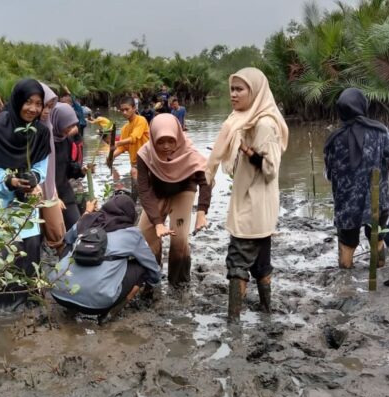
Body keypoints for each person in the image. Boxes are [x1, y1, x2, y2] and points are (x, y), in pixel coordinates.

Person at [205, 67, 288, 323]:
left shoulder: (264, 124)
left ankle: (233, 323)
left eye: (240, 89)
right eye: (232, 89)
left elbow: (271, 169)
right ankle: (266, 312)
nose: (233, 94)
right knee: (261, 262)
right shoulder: (244, 119)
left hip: (253, 204)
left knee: (237, 262)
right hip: (256, 203)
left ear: (256, 92)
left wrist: (246, 150)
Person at [0, 79, 51, 311]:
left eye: (38, 104)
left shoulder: (40, 132)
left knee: (30, 248)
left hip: (24, 203)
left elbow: (41, 165)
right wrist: (10, 181)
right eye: (28, 102)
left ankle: (25, 303)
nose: (33, 109)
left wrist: (34, 178)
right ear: (17, 101)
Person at [323, 88, 389, 269]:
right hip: (376, 200)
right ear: (363, 106)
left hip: (346, 204)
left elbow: (328, 173)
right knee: (377, 238)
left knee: (347, 244)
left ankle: (346, 281)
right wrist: (386, 166)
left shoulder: (334, 139)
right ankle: (378, 276)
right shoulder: (379, 131)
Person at [50, 194, 161, 323]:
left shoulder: (85, 221)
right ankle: (113, 311)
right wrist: (153, 283)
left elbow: (68, 238)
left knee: (70, 247)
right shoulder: (132, 234)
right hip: (98, 304)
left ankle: (71, 304)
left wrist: (86, 215)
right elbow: (152, 266)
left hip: (58, 293)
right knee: (143, 266)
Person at [137, 113, 211, 285]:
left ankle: (179, 283)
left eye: (171, 140)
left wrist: (201, 213)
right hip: (157, 192)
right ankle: (152, 278)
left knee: (179, 239)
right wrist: (157, 223)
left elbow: (206, 180)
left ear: (178, 136)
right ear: (153, 138)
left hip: (183, 190)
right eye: (160, 141)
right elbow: (144, 189)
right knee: (145, 234)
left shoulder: (188, 151)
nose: (166, 146)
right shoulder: (145, 154)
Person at [37, 82, 67, 254]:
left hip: (48, 188)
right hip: (31, 189)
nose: (47, 111)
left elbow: (50, 167)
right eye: (44, 106)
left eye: (50, 107)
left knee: (57, 233)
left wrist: (53, 191)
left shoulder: (48, 126)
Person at [51, 103, 88, 229]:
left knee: (76, 227)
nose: (72, 129)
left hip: (65, 190)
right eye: (68, 125)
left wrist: (81, 170)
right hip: (48, 194)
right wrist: (53, 196)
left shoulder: (66, 140)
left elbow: (68, 166)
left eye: (73, 125)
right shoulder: (45, 141)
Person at [111, 97, 150, 173]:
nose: (124, 112)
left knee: (134, 173)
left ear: (134, 108)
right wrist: (112, 156)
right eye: (122, 110)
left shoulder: (141, 120)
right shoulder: (124, 128)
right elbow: (122, 148)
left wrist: (117, 143)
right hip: (135, 162)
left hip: (147, 159)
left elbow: (133, 138)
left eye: (127, 109)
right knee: (134, 173)